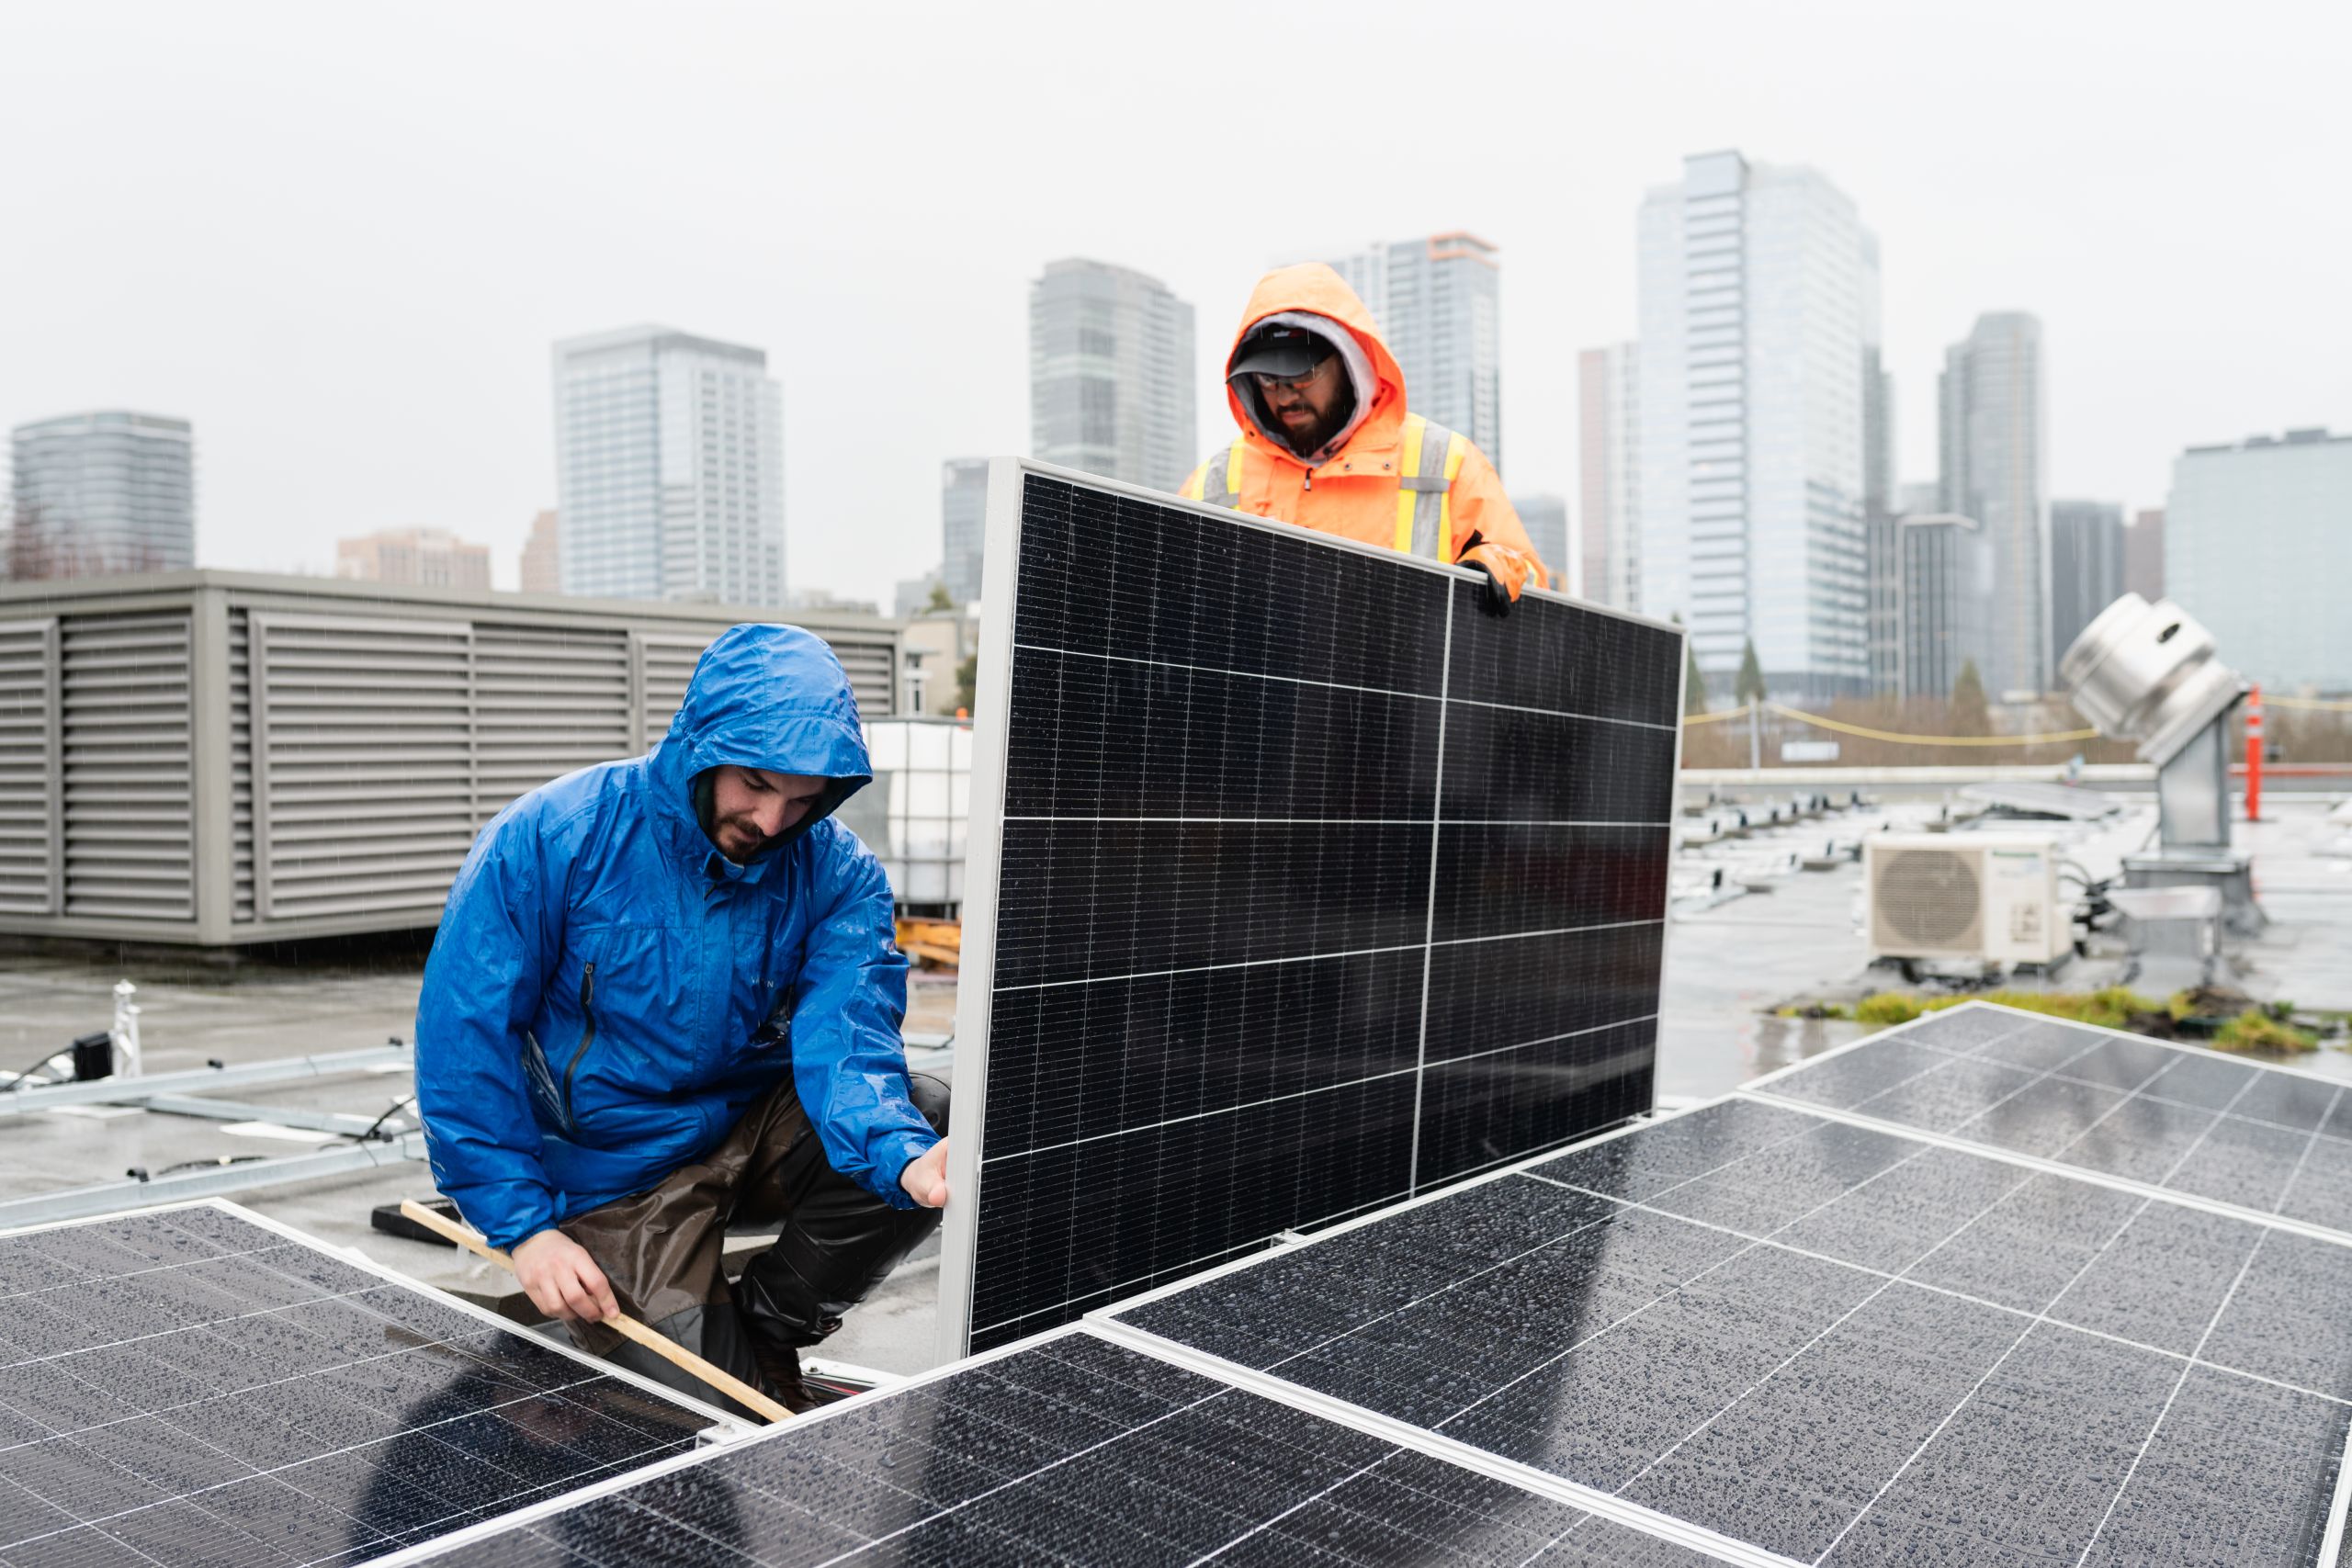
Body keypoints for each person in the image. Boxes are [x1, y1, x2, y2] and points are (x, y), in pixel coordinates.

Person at [414, 623, 947, 1416]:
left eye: (804, 799)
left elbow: (849, 1040)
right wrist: (524, 1229)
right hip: (613, 1172)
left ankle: (767, 1322)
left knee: (931, 1116)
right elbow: (464, 1041)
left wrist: (901, 1158)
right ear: (701, 745)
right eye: (756, 786)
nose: (772, 821)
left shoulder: (836, 872)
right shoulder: (551, 840)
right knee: (717, 1410)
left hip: (746, 1130)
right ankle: (663, 1324)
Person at [1180, 262, 1550, 613]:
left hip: (1408, 678)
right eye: (1268, 380)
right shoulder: (1213, 483)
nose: (1286, 395)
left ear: (1349, 363)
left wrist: (1492, 567)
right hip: (1256, 683)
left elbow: (1527, 578)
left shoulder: (1444, 463)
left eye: (1302, 375)